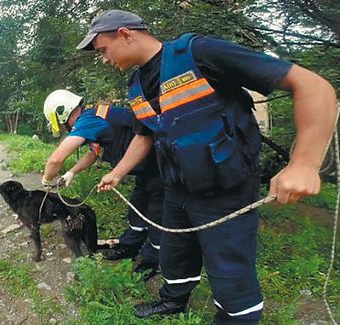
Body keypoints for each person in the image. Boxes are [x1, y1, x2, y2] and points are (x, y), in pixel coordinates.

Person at [76, 9, 337, 324]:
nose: (104, 59)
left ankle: (235, 318)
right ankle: (173, 302)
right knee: (174, 255)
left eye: (103, 50)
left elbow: (312, 85)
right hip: (177, 190)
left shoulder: (199, 53)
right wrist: (117, 173)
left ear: (126, 34)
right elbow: (144, 136)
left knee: (229, 273)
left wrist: (304, 164)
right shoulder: (135, 85)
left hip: (225, 190)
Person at [41, 89, 163, 278]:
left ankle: (153, 261)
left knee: (156, 217)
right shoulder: (93, 117)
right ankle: (129, 248)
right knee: (137, 208)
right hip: (147, 170)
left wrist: (47, 179)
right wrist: (71, 172)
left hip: (161, 167)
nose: (65, 128)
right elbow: (93, 152)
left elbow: (55, 160)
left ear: (62, 114)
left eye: (62, 124)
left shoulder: (88, 121)